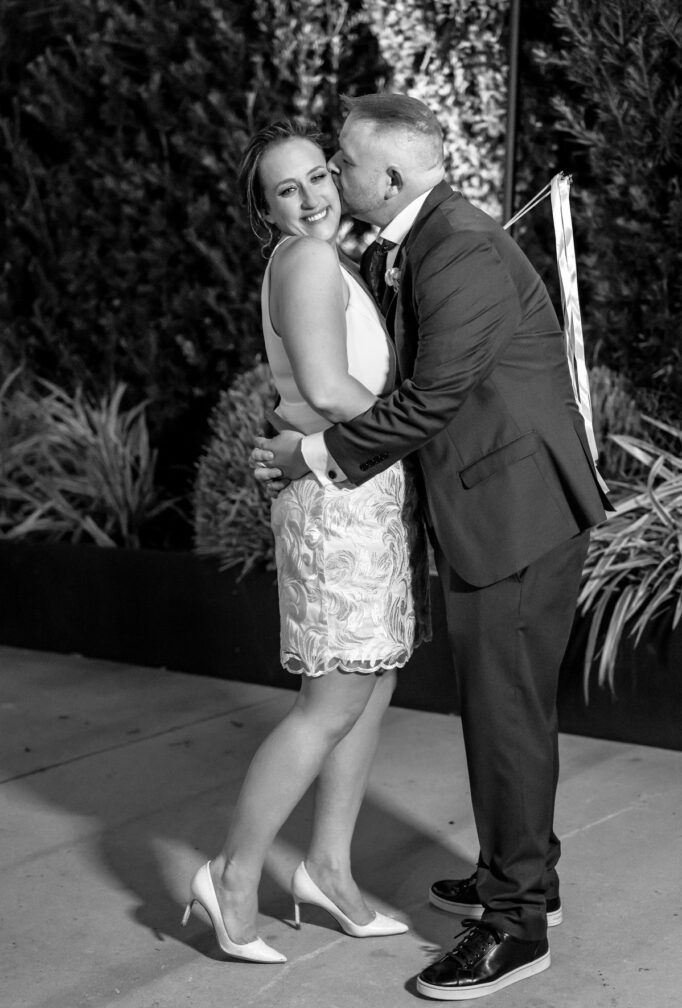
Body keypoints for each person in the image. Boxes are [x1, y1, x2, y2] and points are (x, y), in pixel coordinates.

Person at [251, 93, 612, 997]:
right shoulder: (425, 236)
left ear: (393, 177)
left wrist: (312, 453)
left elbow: (429, 402)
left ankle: (515, 928)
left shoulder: (455, 250)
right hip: (496, 501)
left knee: (505, 718)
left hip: (517, 511)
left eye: (343, 161)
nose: (335, 175)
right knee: (507, 710)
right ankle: (519, 877)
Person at [181, 118, 430, 964]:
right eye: (287, 189)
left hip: (352, 488)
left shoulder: (312, 262)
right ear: (265, 209)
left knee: (373, 676)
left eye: (320, 176)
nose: (313, 197)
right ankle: (234, 875)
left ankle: (327, 868)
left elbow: (305, 391)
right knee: (331, 701)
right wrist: (425, 422)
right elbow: (324, 389)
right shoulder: (311, 258)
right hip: (337, 499)